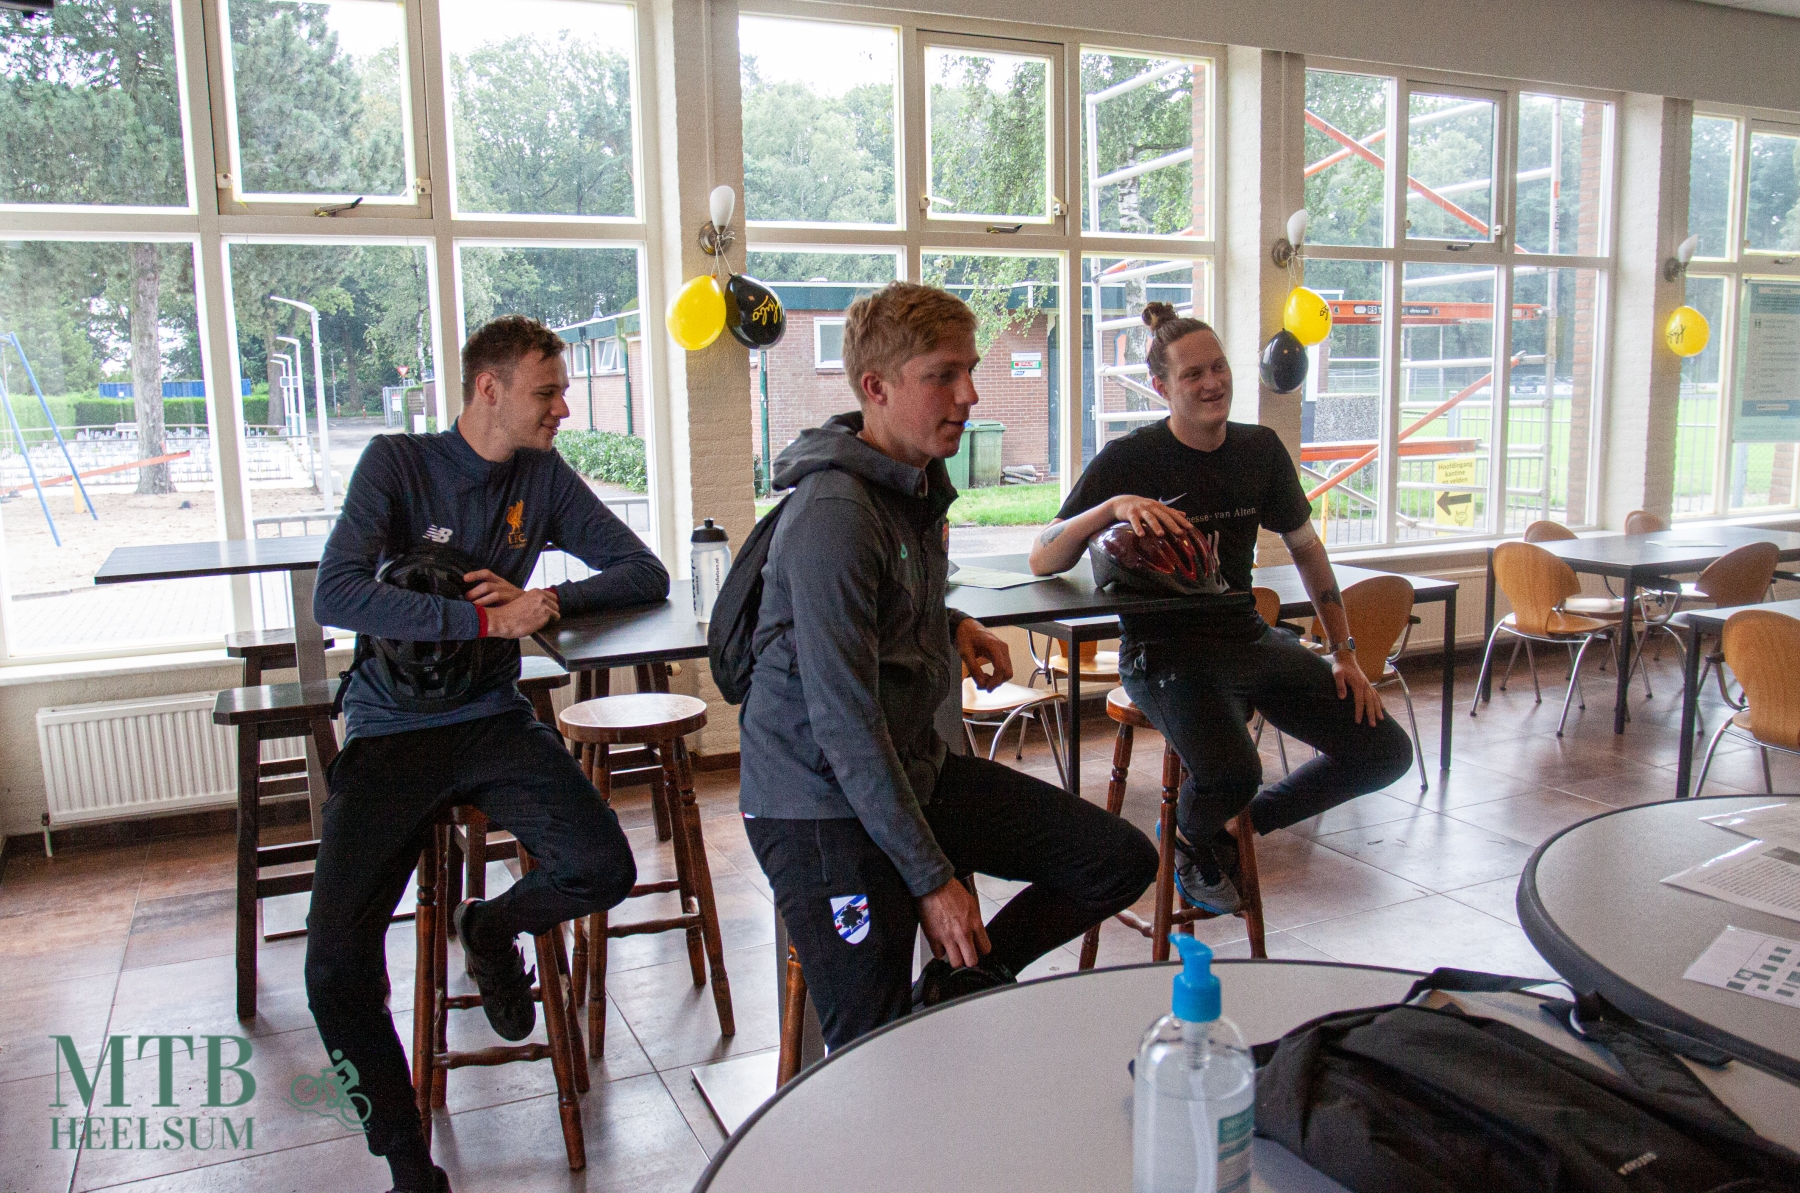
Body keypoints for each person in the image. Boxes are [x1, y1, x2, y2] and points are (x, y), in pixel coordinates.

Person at [738, 281, 1158, 1051]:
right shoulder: (835, 514)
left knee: (1115, 860)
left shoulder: (915, 482)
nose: (970, 394)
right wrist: (932, 879)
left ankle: (953, 994)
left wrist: (952, 623)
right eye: (943, 375)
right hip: (818, 803)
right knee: (870, 1047)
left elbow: (884, 603)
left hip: (905, 771)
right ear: (876, 388)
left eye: (971, 370)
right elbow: (843, 724)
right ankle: (911, 1045)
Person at [307, 316, 669, 1193]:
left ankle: (490, 926)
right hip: (391, 729)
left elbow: (643, 571)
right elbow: (338, 593)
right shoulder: (397, 464)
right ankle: (407, 1162)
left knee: (603, 867)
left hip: (491, 720)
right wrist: (479, 618)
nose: (563, 410)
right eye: (549, 393)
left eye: (563, 393)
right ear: (489, 388)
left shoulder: (541, 478)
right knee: (334, 966)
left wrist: (545, 600)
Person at [1030, 303, 1413, 915]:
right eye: (1192, 374)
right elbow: (1042, 558)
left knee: (1385, 751)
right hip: (1164, 652)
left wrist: (1344, 654)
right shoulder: (1131, 458)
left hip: (1248, 638)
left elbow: (1308, 550)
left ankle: (1224, 830)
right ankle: (1196, 832)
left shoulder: (1259, 449)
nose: (1212, 383)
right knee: (1234, 772)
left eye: (1219, 367)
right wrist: (1113, 507)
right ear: (1162, 387)